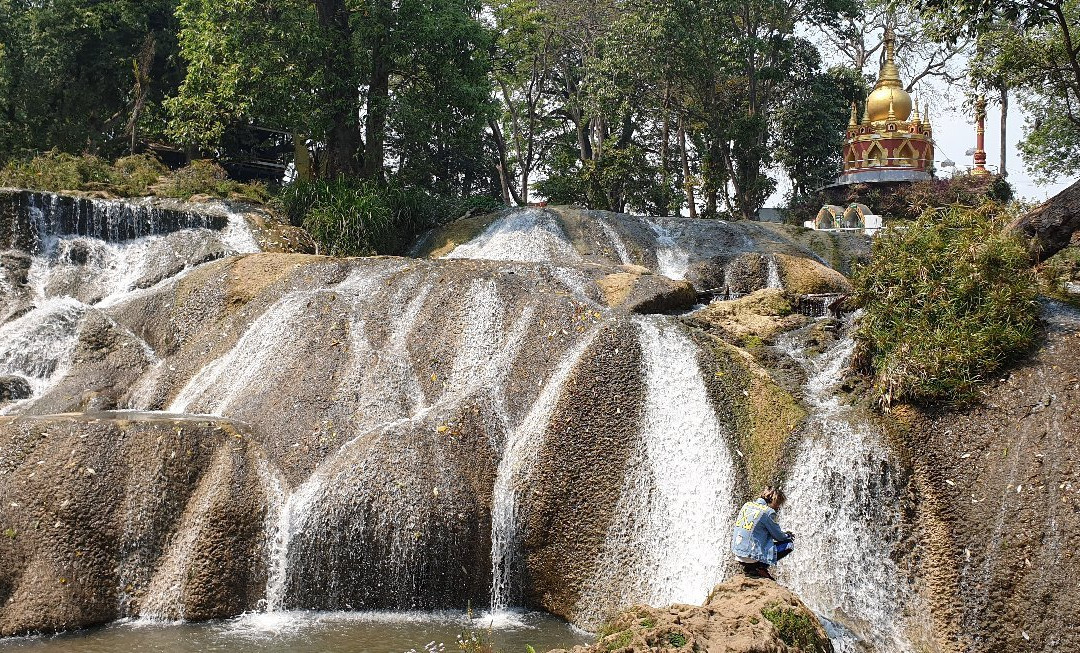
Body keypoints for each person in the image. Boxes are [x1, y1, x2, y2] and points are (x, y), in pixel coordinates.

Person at [730, 486, 794, 580]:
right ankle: (761, 567)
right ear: (774, 500)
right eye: (778, 504)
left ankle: (750, 569)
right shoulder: (767, 512)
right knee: (789, 544)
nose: (778, 508)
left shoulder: (746, 505)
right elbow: (779, 537)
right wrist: (787, 535)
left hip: (739, 555)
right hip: (752, 558)